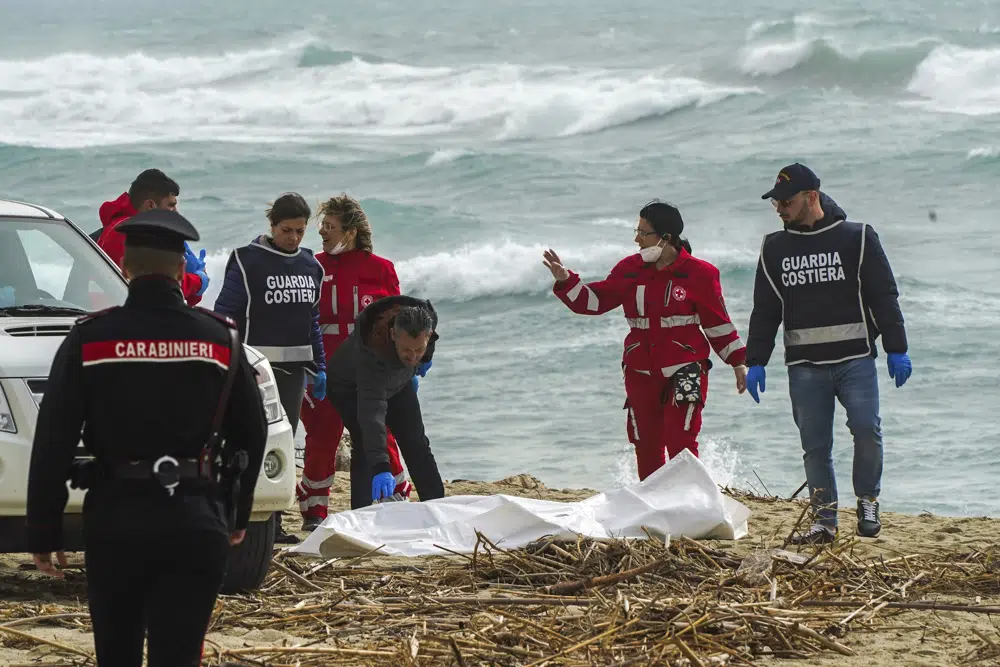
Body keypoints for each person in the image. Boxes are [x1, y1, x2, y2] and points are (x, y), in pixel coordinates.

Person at [25, 208, 267, 667]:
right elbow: (251, 435)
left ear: (124, 267)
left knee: (117, 652)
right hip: (197, 520)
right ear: (181, 269)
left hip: (117, 520)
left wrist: (44, 528)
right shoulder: (221, 339)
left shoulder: (90, 340)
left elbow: (53, 439)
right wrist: (238, 512)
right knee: (177, 655)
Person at [746, 163, 912, 543]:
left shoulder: (858, 238)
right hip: (804, 366)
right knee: (815, 446)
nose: (779, 208)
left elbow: (883, 296)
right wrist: (755, 360)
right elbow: (766, 309)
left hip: (855, 358)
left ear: (812, 197)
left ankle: (868, 500)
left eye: (786, 201)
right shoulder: (774, 248)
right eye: (776, 202)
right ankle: (824, 522)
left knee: (867, 429)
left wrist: (896, 348)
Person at [543, 200, 747, 481]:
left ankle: (691, 504)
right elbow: (596, 301)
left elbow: (717, 322)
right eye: (636, 230)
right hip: (640, 371)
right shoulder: (629, 268)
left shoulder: (701, 274)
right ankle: (654, 508)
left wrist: (738, 363)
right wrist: (567, 281)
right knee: (646, 445)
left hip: (686, 368)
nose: (636, 238)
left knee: (681, 443)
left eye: (643, 232)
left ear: (665, 237)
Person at [296, 194, 417, 531]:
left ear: (350, 231)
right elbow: (299, 318)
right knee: (321, 437)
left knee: (379, 433)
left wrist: (409, 366)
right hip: (323, 368)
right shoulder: (312, 266)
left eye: (330, 226)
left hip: (370, 372)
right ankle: (314, 512)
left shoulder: (381, 269)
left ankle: (394, 499)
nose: (322, 232)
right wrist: (308, 366)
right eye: (322, 226)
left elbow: (400, 322)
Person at [213, 192, 326, 544]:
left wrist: (320, 366)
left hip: (293, 374)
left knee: (282, 445)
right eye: (287, 230)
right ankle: (237, 519)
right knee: (247, 444)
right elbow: (225, 313)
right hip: (254, 372)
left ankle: (272, 524)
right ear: (272, 225)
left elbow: (313, 321)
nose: (293, 238)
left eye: (300, 231)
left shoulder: (312, 267)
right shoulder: (248, 261)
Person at [326, 295, 445, 509]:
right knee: (365, 444)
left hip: (398, 381)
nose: (412, 356)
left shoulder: (426, 321)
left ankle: (437, 505)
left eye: (419, 350)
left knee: (415, 441)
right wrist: (382, 467)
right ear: (392, 335)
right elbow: (372, 417)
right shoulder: (372, 354)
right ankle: (362, 513)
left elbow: (426, 344)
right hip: (349, 388)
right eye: (407, 350)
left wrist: (425, 359)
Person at [97, 168, 210, 306]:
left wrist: (192, 285)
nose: (175, 212)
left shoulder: (121, 227)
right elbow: (160, 286)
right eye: (171, 206)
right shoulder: (129, 233)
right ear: (150, 205)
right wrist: (198, 280)